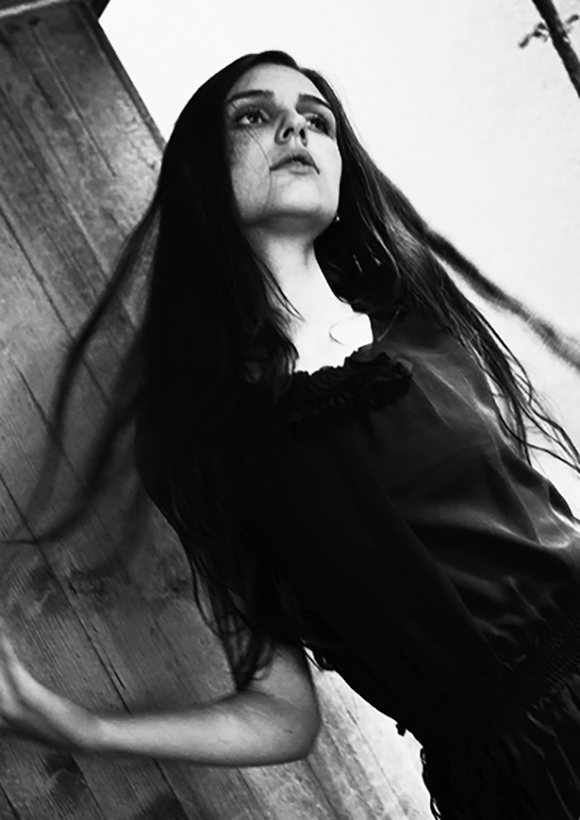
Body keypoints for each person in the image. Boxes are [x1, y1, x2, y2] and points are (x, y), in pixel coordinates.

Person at [1, 49, 580, 820]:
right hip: (505, 787)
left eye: (318, 120)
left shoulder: (426, 325)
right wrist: (80, 726)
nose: (295, 129)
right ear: (203, 173)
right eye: (254, 116)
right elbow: (284, 711)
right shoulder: (199, 446)